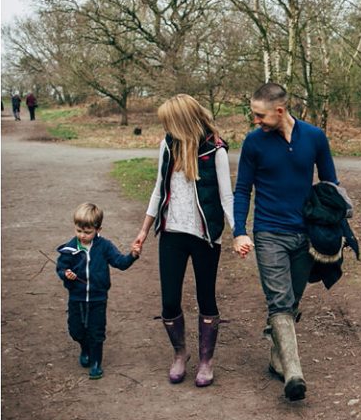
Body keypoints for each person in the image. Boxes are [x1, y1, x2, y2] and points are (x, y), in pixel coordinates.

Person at [232, 80, 349, 402]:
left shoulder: (314, 137)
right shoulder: (254, 143)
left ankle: (276, 356)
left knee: (292, 301)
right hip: (269, 232)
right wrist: (239, 230)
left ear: (279, 110)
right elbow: (242, 190)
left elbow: (330, 184)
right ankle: (294, 373)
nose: (255, 121)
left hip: (305, 235)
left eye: (259, 115)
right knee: (279, 302)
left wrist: (337, 224)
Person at [130, 94, 236, 389]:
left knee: (206, 298)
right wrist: (143, 229)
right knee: (169, 301)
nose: (166, 126)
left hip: (204, 237)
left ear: (182, 121)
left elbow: (227, 198)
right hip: (171, 234)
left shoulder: (216, 150)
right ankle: (180, 353)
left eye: (169, 121)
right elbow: (157, 191)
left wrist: (238, 232)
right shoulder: (168, 145)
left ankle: (206, 361)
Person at [56, 200, 140, 380]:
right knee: (76, 330)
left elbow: (120, 263)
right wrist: (66, 273)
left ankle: (96, 362)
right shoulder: (70, 249)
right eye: (79, 231)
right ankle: (84, 348)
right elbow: (61, 268)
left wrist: (132, 255)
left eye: (87, 232)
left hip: (97, 298)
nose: (83, 236)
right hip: (76, 297)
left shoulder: (104, 247)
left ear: (98, 230)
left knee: (96, 331)